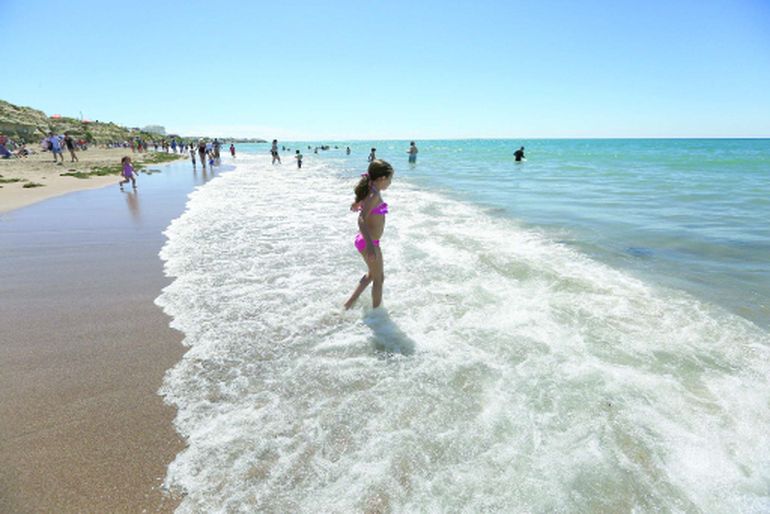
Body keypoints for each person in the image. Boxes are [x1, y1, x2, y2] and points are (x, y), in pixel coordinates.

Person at [344, 159, 394, 310]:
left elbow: (362, 205)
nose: (390, 183)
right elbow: (361, 219)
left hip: (366, 241)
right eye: (390, 179)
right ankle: (377, 316)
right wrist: (371, 246)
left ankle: (348, 305)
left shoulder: (371, 189)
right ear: (382, 178)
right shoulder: (374, 196)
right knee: (379, 279)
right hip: (369, 242)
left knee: (372, 275)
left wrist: (357, 203)